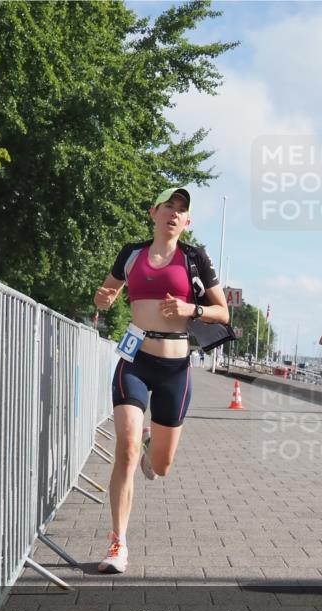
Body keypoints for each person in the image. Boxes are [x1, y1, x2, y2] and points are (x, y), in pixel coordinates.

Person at [93, 187, 228, 573]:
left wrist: (191, 308)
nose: (174, 213)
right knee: (126, 448)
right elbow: (107, 293)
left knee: (162, 466)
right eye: (168, 205)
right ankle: (118, 544)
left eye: (181, 210)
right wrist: (102, 300)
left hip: (175, 368)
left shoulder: (194, 258)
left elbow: (222, 314)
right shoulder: (132, 253)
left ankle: (153, 442)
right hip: (134, 360)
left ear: (187, 222)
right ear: (154, 212)